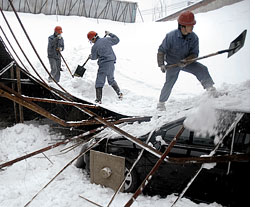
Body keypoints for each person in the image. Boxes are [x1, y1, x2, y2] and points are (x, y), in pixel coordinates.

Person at [156, 11, 217, 111]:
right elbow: (161, 50)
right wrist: (161, 64)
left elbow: (194, 53)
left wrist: (187, 60)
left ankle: (210, 89)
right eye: (190, 25)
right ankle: (161, 103)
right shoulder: (171, 36)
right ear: (182, 26)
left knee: (202, 69)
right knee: (169, 83)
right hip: (173, 64)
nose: (192, 27)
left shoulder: (194, 37)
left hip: (187, 62)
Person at [87, 30, 123, 104]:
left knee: (99, 82)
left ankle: (98, 99)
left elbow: (94, 57)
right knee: (111, 79)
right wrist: (110, 34)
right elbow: (117, 40)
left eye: (91, 40)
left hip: (103, 65)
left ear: (93, 38)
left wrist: (91, 56)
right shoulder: (107, 39)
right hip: (111, 63)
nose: (92, 42)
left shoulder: (94, 47)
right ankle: (119, 93)